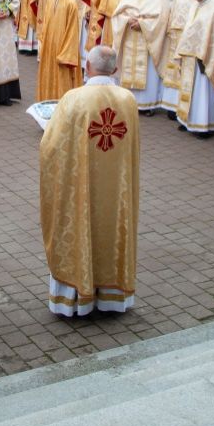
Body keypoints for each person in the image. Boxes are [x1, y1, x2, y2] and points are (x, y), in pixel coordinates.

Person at [39, 45, 139, 316]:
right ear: (115, 70)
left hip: (82, 188)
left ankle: (76, 297)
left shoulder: (74, 99)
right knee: (113, 229)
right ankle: (113, 298)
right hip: (116, 191)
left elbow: (52, 146)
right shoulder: (128, 100)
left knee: (81, 226)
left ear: (87, 66)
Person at [174, 0, 214, 137]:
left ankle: (204, 126)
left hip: (205, 58)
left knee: (203, 93)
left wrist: (208, 56)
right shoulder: (195, 4)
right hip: (191, 55)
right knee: (189, 90)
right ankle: (187, 120)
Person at [111, 0, 168, 113]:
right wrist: (127, 21)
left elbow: (162, 19)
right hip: (129, 35)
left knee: (148, 73)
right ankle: (129, 102)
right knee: (128, 69)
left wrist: (142, 24)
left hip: (148, 40)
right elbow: (118, 14)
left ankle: (148, 104)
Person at [34, 0, 82, 101]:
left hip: (62, 51)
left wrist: (65, 54)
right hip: (49, 49)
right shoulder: (50, 0)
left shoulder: (70, 3)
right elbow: (45, 26)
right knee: (48, 77)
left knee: (62, 80)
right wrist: (42, 44)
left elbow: (72, 31)